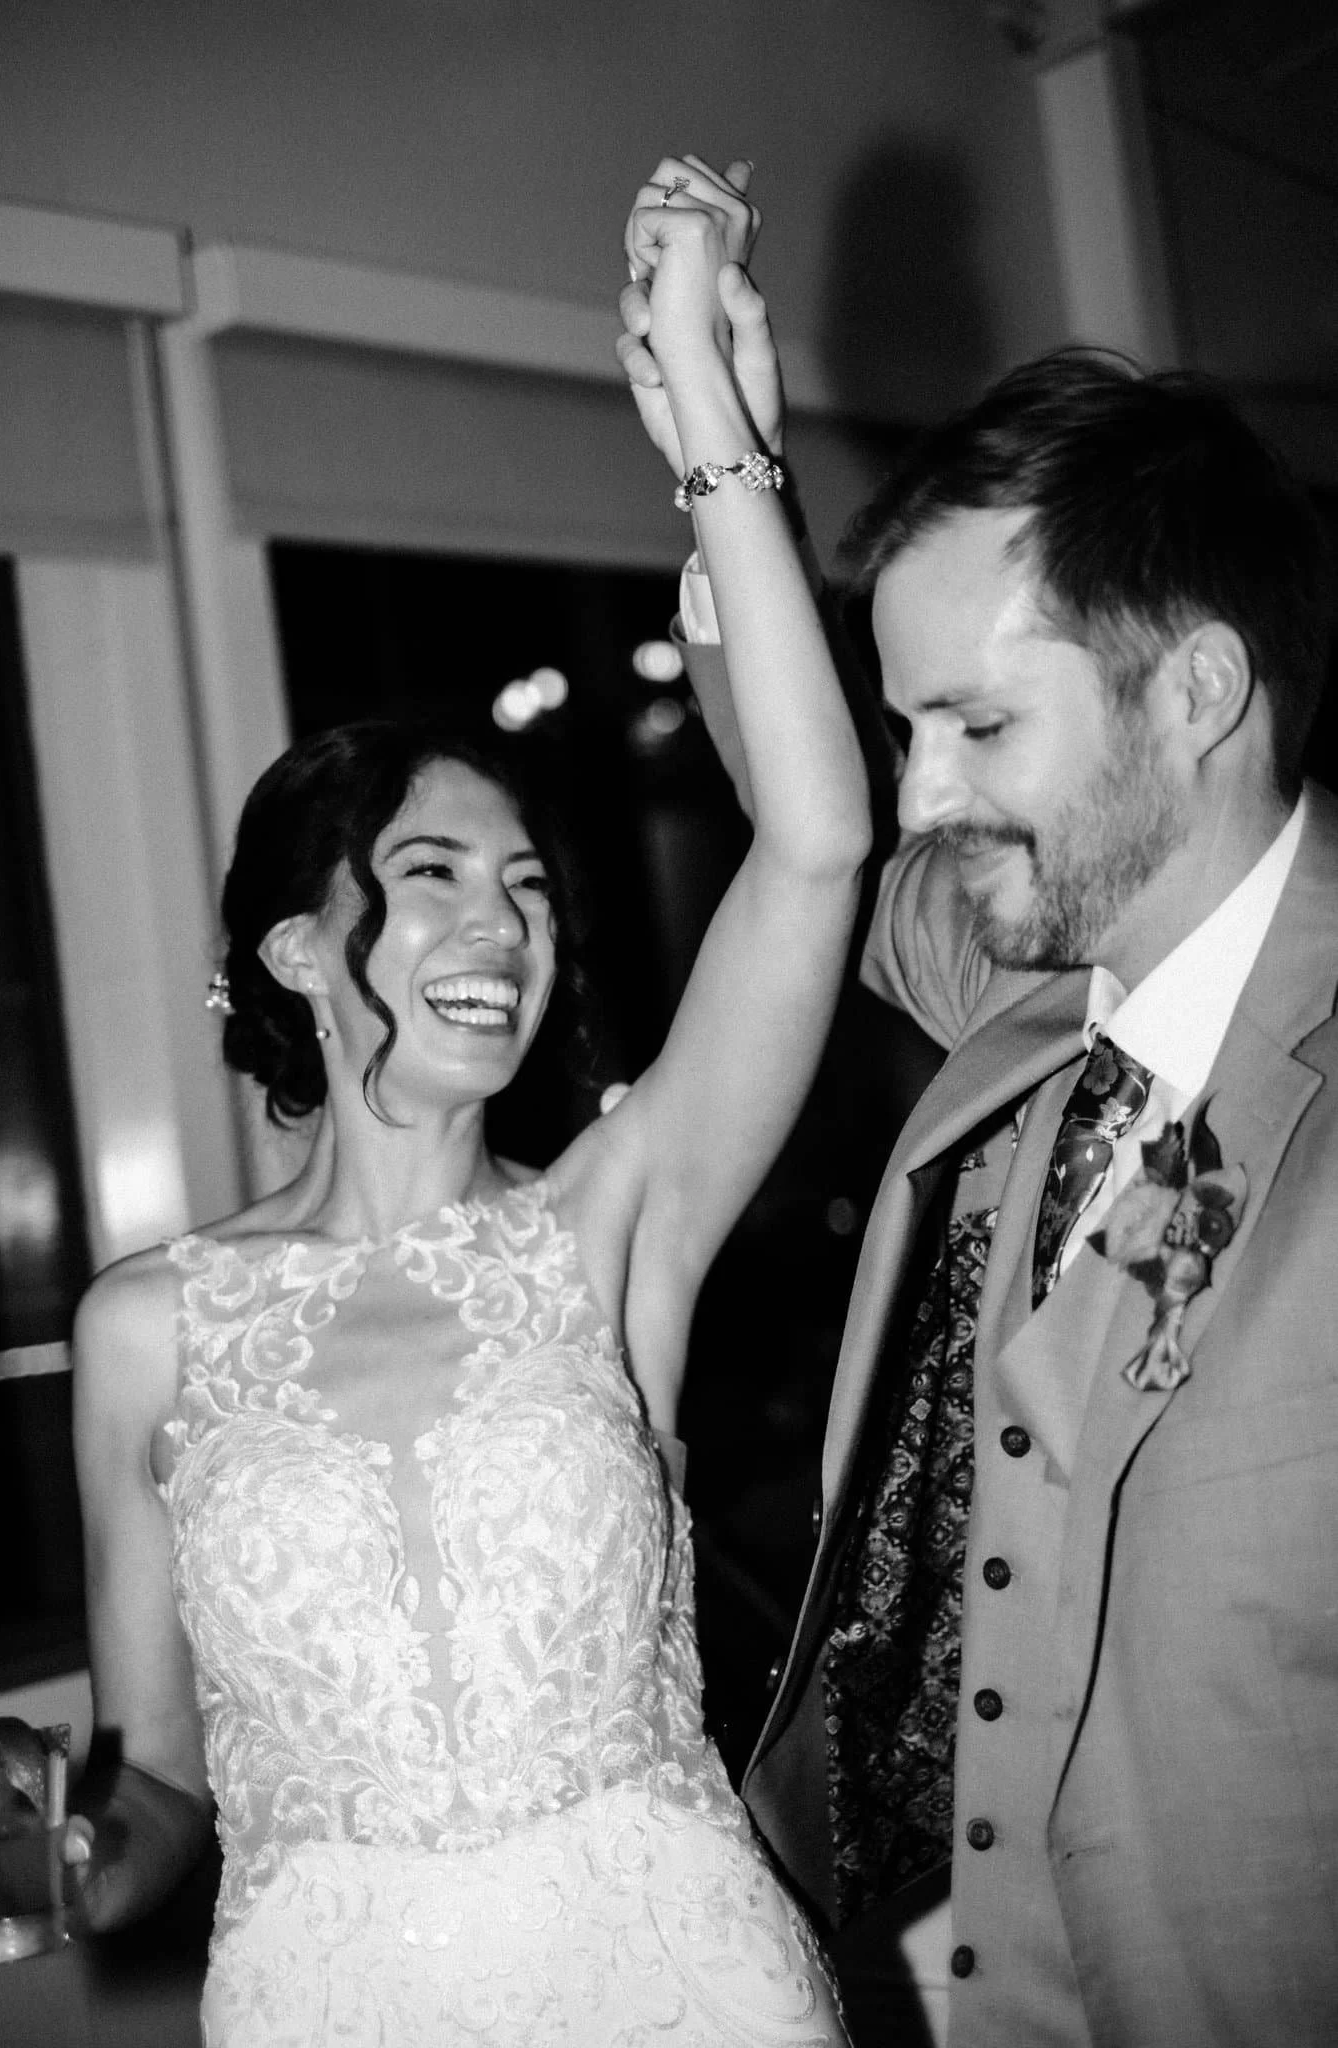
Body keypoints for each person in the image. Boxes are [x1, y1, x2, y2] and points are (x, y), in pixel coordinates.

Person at [63, 178, 870, 2048]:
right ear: (293, 945)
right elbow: (161, 1789)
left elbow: (821, 844)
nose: (499, 923)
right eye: (430, 872)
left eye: (524, 884)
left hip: (688, 1992)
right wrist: (57, 1854)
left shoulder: (611, 1221)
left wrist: (706, 416)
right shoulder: (144, 1330)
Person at [619, 156, 1338, 2046]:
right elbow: (820, 823)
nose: (925, 792)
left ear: (1195, 691)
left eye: (978, 723)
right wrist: (725, 459)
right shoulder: (1019, 973)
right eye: (911, 719)